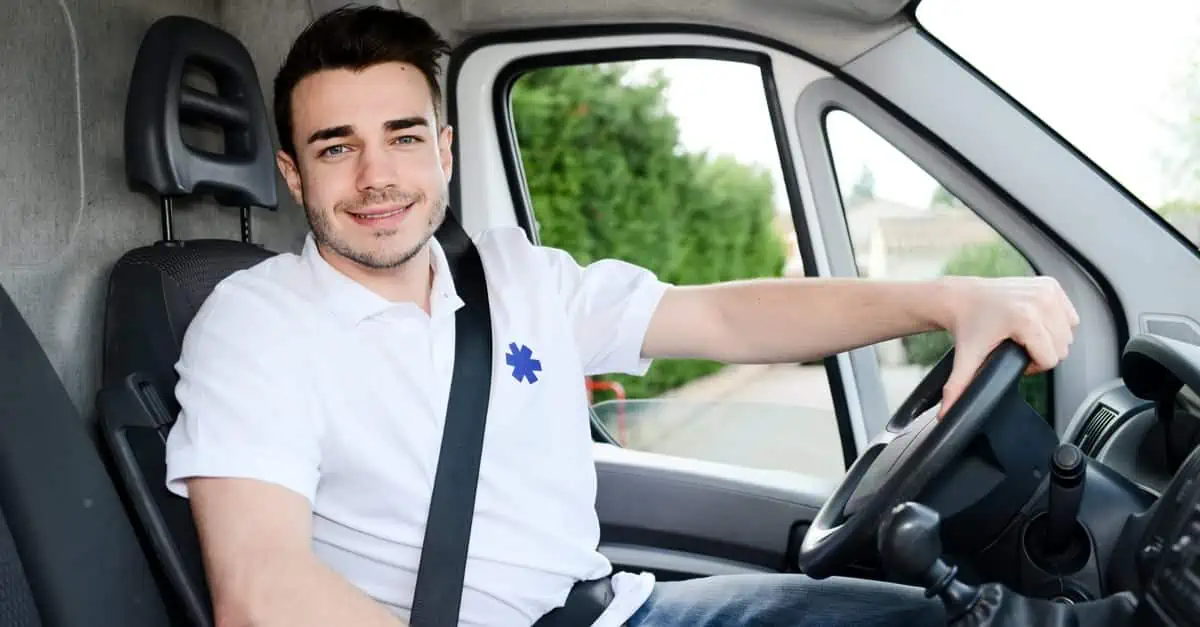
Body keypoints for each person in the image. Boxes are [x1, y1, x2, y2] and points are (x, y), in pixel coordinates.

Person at [163, 6, 1079, 627]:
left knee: (943, 618)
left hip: (623, 609)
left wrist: (949, 298)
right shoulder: (254, 323)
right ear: (292, 175)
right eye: (337, 147)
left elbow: (723, 322)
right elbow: (262, 593)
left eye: (403, 137)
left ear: (442, 149)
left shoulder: (513, 272)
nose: (377, 178)